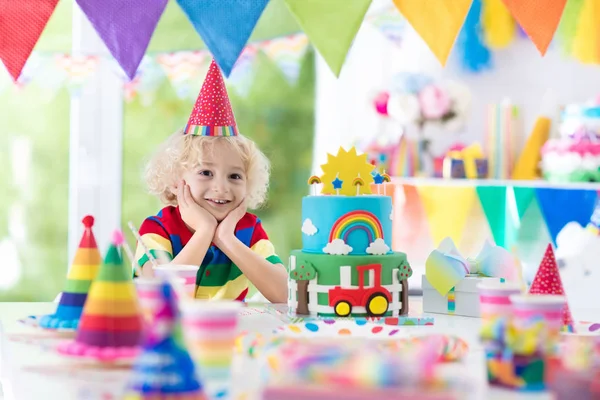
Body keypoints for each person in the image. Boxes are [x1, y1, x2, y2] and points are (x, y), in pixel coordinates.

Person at [134, 60, 287, 304]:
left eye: (235, 176)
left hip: (231, 336)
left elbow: (285, 295)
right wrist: (204, 232)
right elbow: (161, 299)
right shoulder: (157, 229)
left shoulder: (248, 230)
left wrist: (227, 239)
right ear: (176, 180)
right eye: (206, 172)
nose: (222, 187)